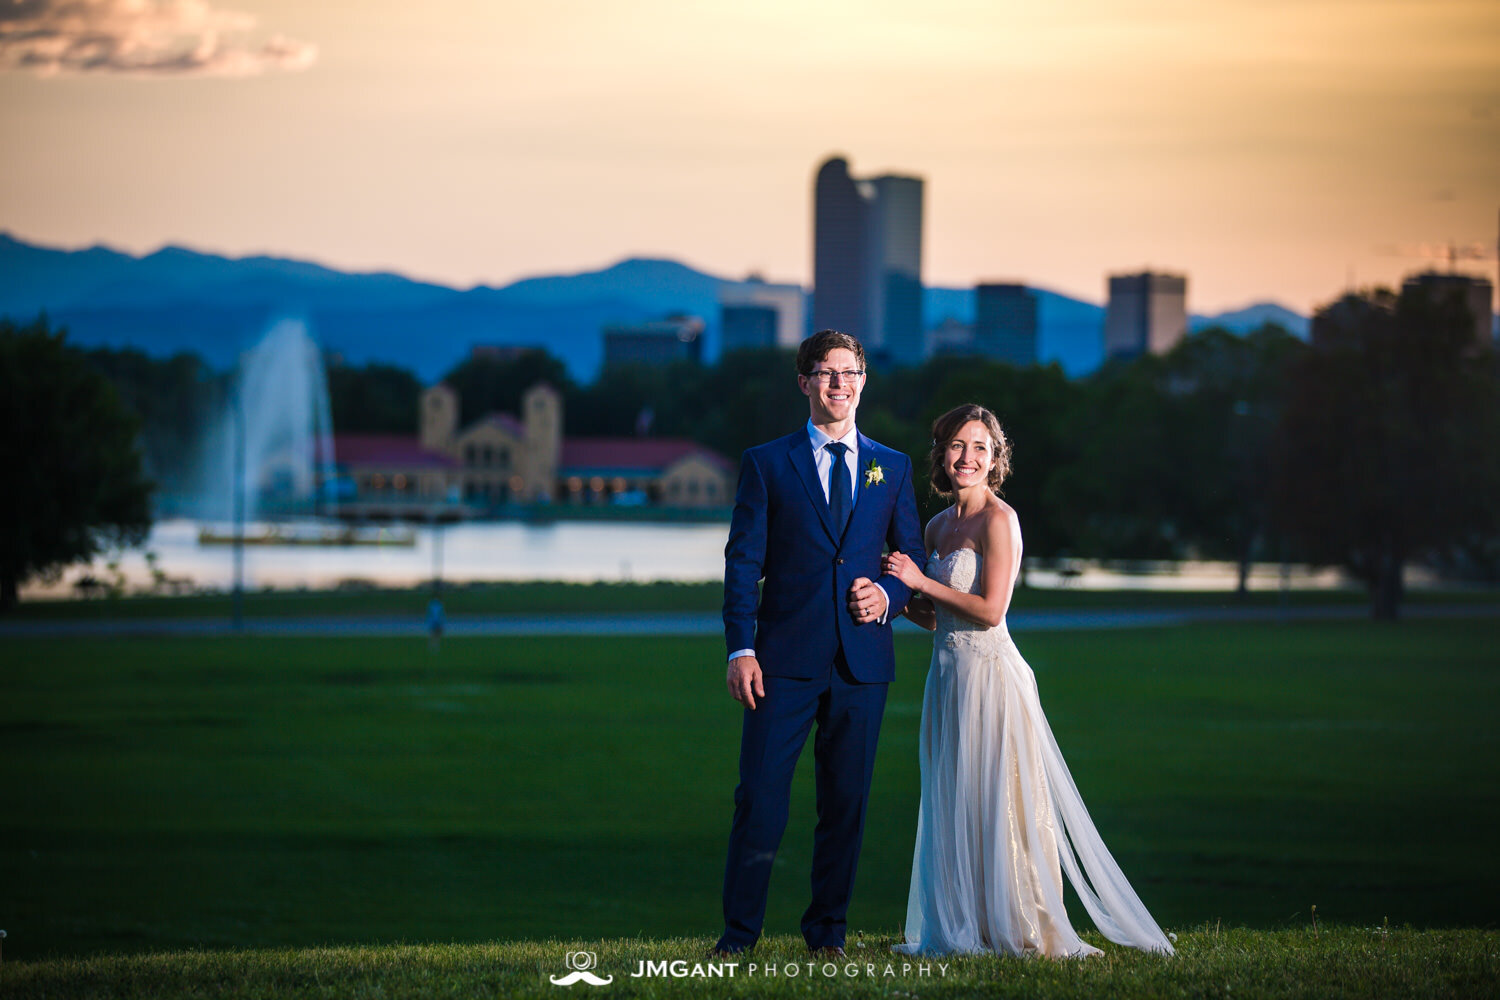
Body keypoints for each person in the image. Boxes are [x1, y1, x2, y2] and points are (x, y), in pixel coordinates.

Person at [882, 404, 1174, 958]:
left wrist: (919, 578)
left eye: (980, 449)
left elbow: (991, 611)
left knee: (997, 797)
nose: (967, 457)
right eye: (958, 446)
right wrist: (900, 600)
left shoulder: (1000, 519)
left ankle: (1013, 921)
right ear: (942, 453)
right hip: (947, 679)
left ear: (995, 460)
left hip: (992, 678)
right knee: (953, 796)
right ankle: (961, 922)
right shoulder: (937, 526)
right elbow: (941, 616)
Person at [713, 330, 926, 958]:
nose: (840, 384)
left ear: (864, 380)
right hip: (780, 662)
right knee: (760, 799)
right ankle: (738, 937)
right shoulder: (768, 462)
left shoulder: (893, 465)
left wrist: (888, 594)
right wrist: (740, 648)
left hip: (862, 662)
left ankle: (827, 934)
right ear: (804, 382)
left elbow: (910, 553)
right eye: (827, 373)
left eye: (851, 372)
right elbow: (741, 561)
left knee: (846, 803)